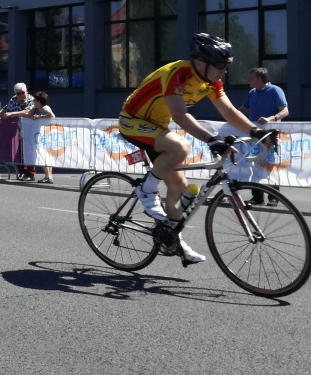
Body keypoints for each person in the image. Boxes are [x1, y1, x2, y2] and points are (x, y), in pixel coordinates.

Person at [118, 33, 278, 265]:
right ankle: (146, 190)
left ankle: (172, 239)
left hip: (156, 126)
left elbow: (230, 112)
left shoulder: (211, 81)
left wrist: (257, 133)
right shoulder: (177, 73)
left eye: (227, 65)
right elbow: (181, 115)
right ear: (201, 62)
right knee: (180, 147)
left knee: (181, 188)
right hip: (132, 120)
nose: (225, 70)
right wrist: (211, 139)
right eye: (221, 65)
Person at [239, 67, 289, 206]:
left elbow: (285, 111)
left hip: (269, 134)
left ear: (260, 78)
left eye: (251, 77)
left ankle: (273, 197)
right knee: (254, 164)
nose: (248, 80)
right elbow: (242, 110)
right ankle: (257, 197)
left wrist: (270, 119)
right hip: (254, 133)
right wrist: (230, 121)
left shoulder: (275, 91)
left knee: (269, 164)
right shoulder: (252, 93)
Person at [0, 82, 36, 181]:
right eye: (19, 93)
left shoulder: (31, 99)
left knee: (28, 151)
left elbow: (27, 112)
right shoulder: (13, 99)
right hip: (15, 130)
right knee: (18, 152)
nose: (22, 95)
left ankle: (30, 174)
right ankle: (22, 171)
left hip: (28, 129)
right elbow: (5, 109)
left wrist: (12, 114)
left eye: (23, 92)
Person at [30, 91, 56, 184]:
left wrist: (39, 116)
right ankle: (48, 176)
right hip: (46, 133)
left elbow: (50, 114)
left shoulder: (45, 108)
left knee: (43, 154)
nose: (33, 101)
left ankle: (48, 176)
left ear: (39, 101)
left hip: (47, 134)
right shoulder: (38, 108)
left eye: (35, 100)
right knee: (46, 155)